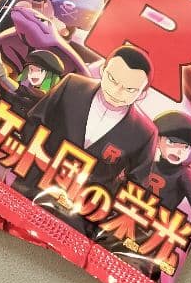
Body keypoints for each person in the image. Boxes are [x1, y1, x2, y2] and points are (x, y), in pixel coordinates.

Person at [13, 44, 157, 197]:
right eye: (112, 79)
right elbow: (34, 121)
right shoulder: (71, 84)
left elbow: (136, 185)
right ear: (102, 70)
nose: (117, 91)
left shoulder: (145, 132)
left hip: (85, 202)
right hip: (32, 181)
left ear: (142, 94)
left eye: (130, 89)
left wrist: (101, 200)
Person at [134, 111, 191, 218]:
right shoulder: (148, 160)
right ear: (158, 140)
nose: (179, 151)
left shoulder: (184, 173)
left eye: (186, 147)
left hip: (156, 221)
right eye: (171, 142)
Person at [0, 49, 64, 114]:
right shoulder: (23, 85)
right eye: (31, 69)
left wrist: (5, 78)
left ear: (49, 76)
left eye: (38, 70)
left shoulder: (47, 97)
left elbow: (28, 92)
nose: (33, 74)